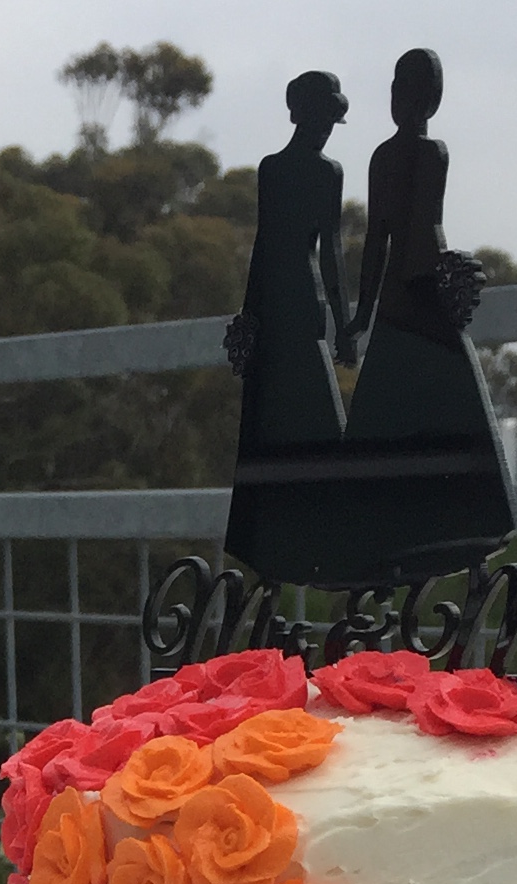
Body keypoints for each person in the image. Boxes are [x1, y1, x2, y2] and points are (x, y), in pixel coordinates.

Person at [337, 48, 516, 580]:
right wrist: (363, 315)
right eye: (396, 89)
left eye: (410, 92)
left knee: (412, 404)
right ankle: (405, 530)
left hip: (411, 293)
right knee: (422, 404)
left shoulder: (412, 154)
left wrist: (370, 312)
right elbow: (381, 240)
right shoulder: (401, 156)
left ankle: (429, 532)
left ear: (428, 100)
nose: (401, 101)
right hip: (413, 294)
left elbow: (391, 239)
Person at [221, 70, 357, 584]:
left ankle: (308, 534)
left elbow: (317, 254)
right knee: (302, 413)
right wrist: (251, 317)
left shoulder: (279, 169)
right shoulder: (310, 172)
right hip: (291, 300)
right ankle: (313, 534)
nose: (326, 131)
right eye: (323, 120)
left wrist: (254, 313)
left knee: (290, 412)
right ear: (304, 117)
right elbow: (324, 255)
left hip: (288, 301)